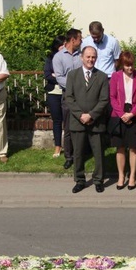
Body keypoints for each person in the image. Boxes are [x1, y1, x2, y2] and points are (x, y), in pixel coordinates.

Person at [65, 46, 109, 194]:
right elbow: (69, 98)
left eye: (93, 57)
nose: (91, 60)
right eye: (88, 57)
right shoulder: (72, 75)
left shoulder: (102, 76)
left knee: (98, 153)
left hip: (96, 122)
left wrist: (91, 115)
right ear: (81, 57)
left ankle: (98, 180)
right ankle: (80, 180)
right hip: (77, 122)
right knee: (78, 153)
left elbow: (104, 100)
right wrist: (80, 115)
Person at [109, 50, 136, 190]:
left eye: (131, 65)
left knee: (133, 147)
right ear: (122, 64)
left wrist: (132, 113)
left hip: (134, 114)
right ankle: (121, 176)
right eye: (127, 65)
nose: (130, 68)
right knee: (120, 148)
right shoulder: (115, 76)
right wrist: (122, 114)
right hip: (119, 114)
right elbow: (112, 97)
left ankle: (132, 176)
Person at [53, 28, 82, 169]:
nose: (81, 41)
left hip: (82, 95)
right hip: (69, 95)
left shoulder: (81, 55)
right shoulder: (58, 57)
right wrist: (74, 87)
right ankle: (69, 156)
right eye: (80, 39)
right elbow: (59, 77)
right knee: (69, 127)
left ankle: (81, 154)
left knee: (83, 125)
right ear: (73, 40)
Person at [44, 35, 65, 159]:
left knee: (69, 122)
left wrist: (57, 76)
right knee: (57, 121)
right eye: (61, 45)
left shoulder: (70, 58)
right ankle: (57, 146)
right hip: (53, 93)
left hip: (66, 92)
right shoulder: (50, 58)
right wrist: (60, 77)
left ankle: (70, 146)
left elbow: (71, 76)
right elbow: (47, 75)